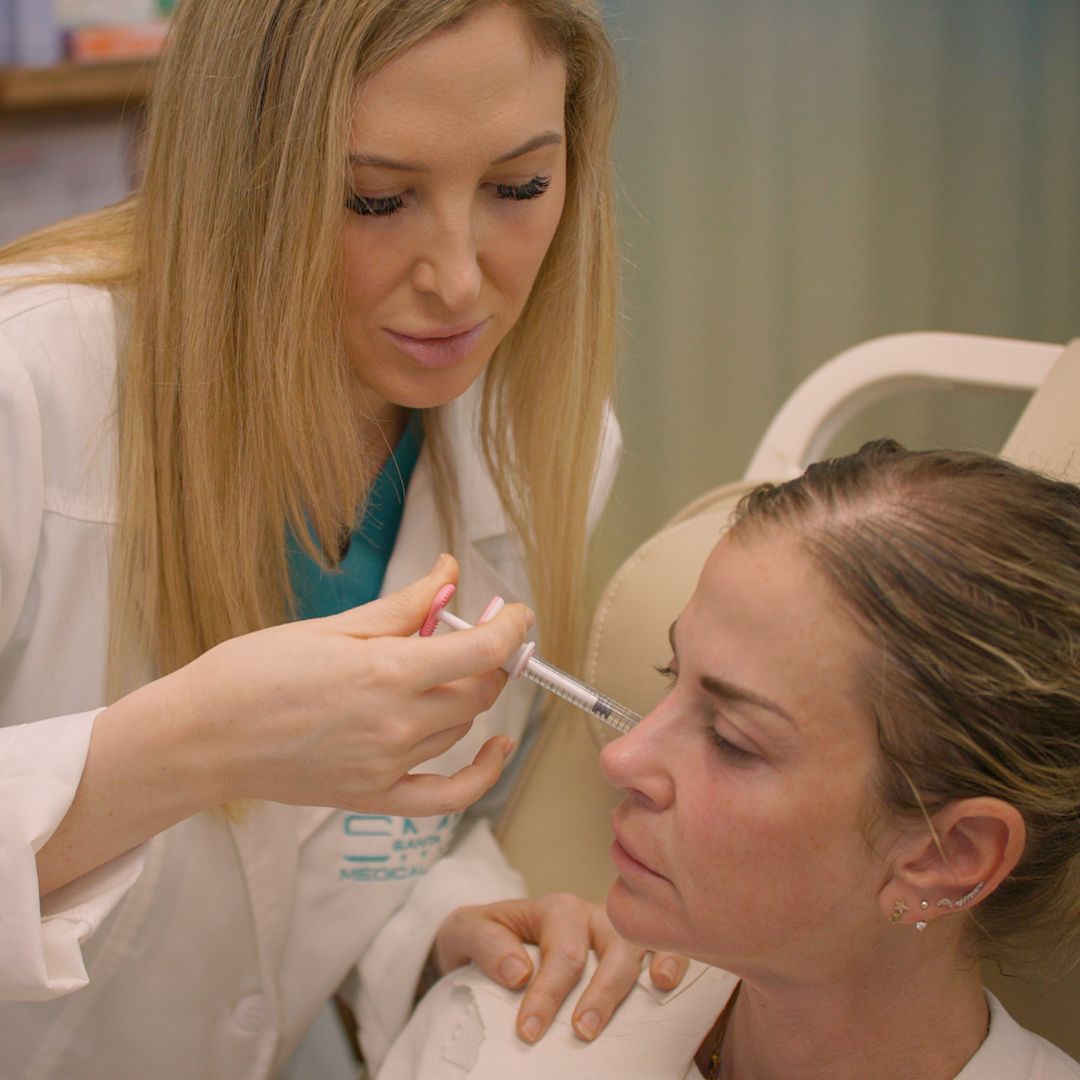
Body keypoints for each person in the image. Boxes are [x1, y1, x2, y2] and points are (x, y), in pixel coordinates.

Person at [0, 2, 683, 1076]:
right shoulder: (26, 390)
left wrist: (439, 928)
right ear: (238, 181)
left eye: (518, 187)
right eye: (374, 198)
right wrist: (185, 748)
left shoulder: (538, 440)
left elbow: (358, 857)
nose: (459, 280)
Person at [381, 439, 1080, 1079]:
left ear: (947, 852)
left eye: (732, 740)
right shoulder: (495, 1038)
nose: (623, 756)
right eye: (669, 674)